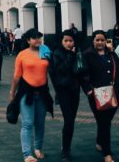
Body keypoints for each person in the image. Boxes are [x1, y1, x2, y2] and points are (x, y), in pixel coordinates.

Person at [81, 30, 119, 162]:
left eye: (102, 40)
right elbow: (82, 74)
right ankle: (107, 154)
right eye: (97, 40)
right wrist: (88, 89)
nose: (100, 43)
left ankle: (100, 141)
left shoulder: (111, 54)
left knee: (105, 122)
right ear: (93, 40)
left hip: (113, 93)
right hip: (96, 94)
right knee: (104, 122)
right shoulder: (87, 55)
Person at [9, 29, 54, 162]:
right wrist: (12, 92)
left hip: (42, 93)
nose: (38, 40)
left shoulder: (45, 52)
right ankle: (27, 154)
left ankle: (38, 148)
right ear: (28, 40)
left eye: (39, 38)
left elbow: (55, 68)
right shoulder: (22, 55)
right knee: (27, 123)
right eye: (34, 38)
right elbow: (17, 76)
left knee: (40, 123)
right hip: (25, 93)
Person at [49, 30, 81, 161]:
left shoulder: (77, 52)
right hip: (63, 91)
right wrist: (71, 56)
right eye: (66, 41)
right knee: (68, 120)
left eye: (71, 41)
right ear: (61, 41)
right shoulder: (57, 53)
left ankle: (66, 146)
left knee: (71, 121)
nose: (69, 43)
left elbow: (81, 70)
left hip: (74, 90)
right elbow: (60, 70)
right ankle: (66, 151)